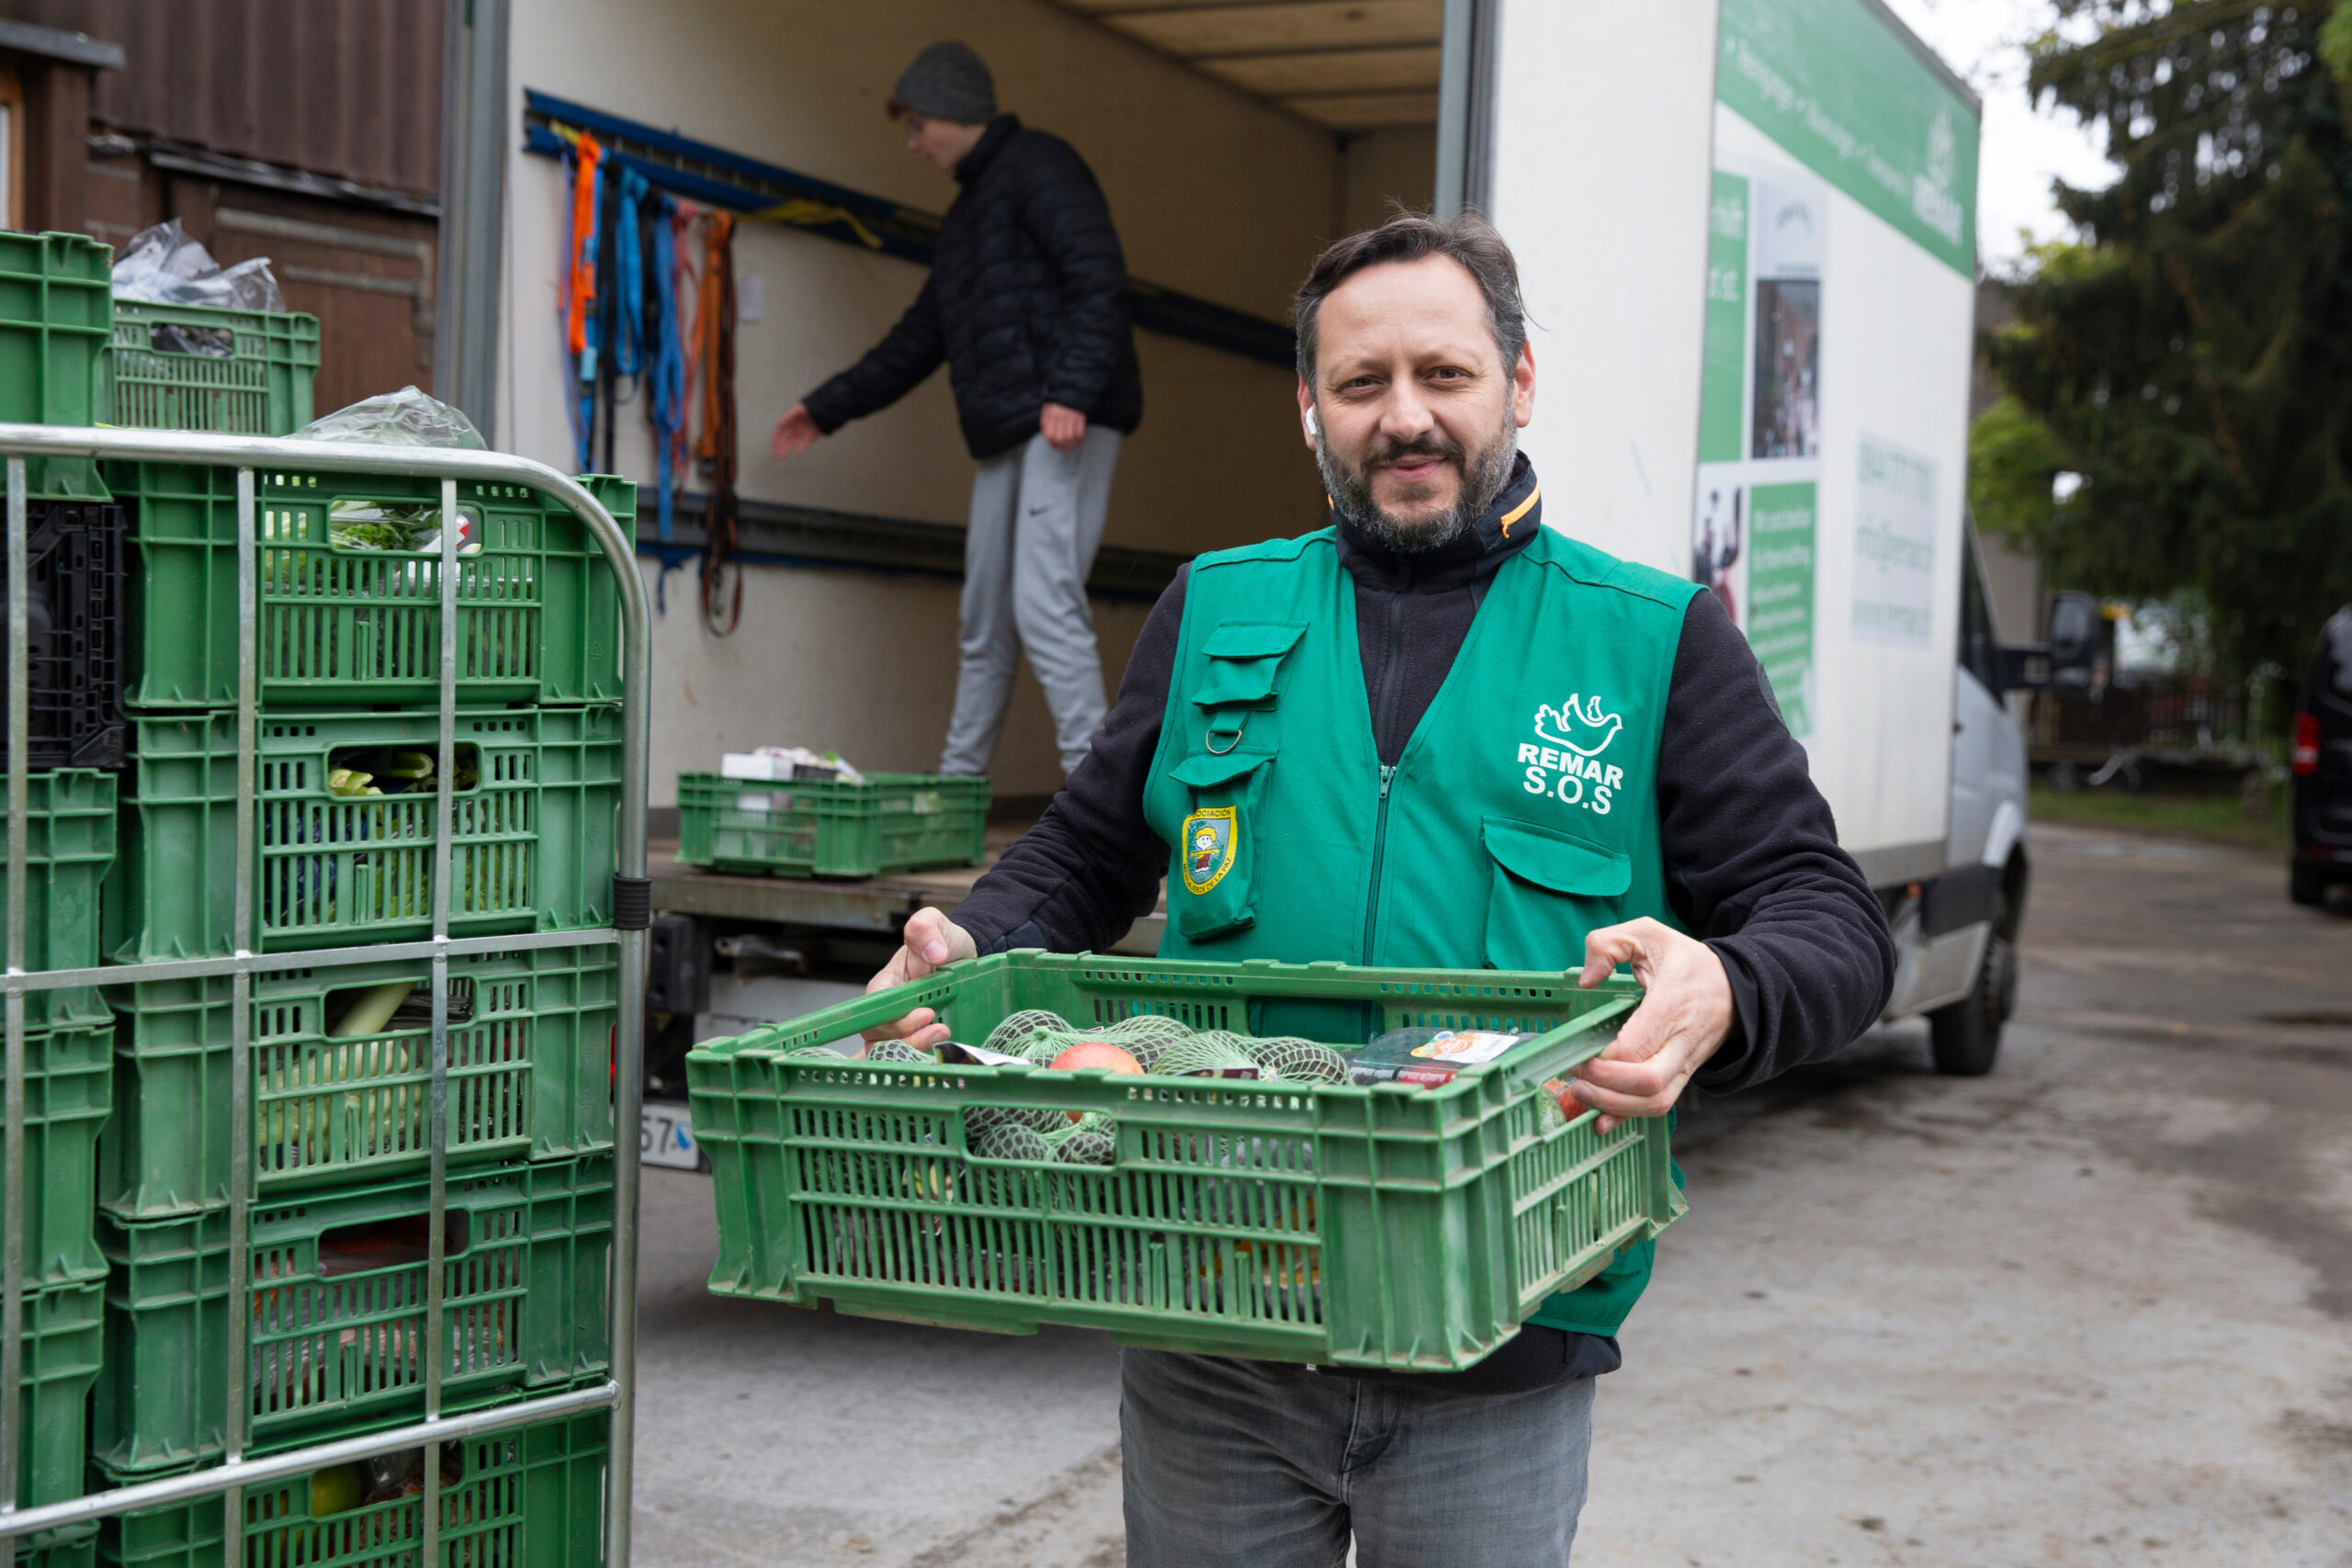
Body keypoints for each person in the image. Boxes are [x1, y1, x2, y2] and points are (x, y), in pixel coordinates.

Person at [858, 211, 1896, 1565]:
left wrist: (1728, 983)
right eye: (1361, 384)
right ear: (1310, 409)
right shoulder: (1217, 610)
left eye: (1445, 375)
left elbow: (1832, 923)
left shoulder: (1651, 640)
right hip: (1213, 1308)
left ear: (1520, 383)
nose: (1405, 417)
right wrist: (967, 937)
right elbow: (1089, 852)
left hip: (1502, 1333)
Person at [770, 40, 1143, 779]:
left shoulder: (1042, 165)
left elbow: (1099, 279)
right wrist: (825, 408)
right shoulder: (967, 216)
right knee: (984, 619)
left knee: (1043, 603)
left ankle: (1100, 803)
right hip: (1008, 430)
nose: (912, 144)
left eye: (916, 126)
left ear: (952, 109)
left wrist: (1070, 391)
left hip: (1063, 422)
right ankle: (956, 790)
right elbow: (920, 336)